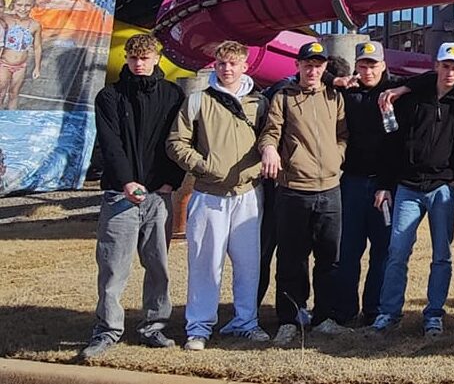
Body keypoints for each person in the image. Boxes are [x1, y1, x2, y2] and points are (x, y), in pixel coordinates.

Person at [81, 33, 185, 359]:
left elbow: (177, 141)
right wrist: (126, 181)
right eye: (133, 58)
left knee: (158, 267)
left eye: (145, 58)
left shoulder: (172, 95)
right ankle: (107, 330)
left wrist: (171, 180)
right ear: (126, 59)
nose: (139, 64)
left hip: (158, 196)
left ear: (156, 58)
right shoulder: (109, 96)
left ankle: (154, 326)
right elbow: (110, 145)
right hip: (119, 196)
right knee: (113, 267)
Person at [166, 40, 270, 350]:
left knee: (249, 263)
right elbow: (176, 142)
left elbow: (270, 135)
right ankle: (198, 326)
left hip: (249, 193)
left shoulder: (258, 103)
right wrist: (201, 165)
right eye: (222, 64)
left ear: (244, 66)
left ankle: (246, 321)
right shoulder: (198, 101)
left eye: (233, 64)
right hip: (209, 193)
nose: (227, 69)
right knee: (205, 262)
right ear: (216, 65)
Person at [371, 42, 454, 336]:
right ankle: (389, 313)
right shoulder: (414, 97)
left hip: (442, 188)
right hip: (407, 187)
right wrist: (385, 184)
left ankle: (434, 313)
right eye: (445, 66)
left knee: (441, 255)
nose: (450, 72)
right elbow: (392, 142)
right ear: (436, 66)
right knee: (397, 252)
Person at [257, 41, 348, 344]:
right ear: (298, 66)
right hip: (294, 190)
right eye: (308, 64)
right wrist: (269, 149)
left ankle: (325, 317)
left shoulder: (335, 96)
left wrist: (338, 157)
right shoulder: (283, 96)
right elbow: (271, 131)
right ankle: (289, 318)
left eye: (318, 65)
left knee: (329, 258)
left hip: (330, 189)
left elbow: (342, 134)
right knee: (291, 258)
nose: (313, 70)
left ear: (325, 68)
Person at [331, 41, 397, 328]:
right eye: (363, 65)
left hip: (384, 186)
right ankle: (345, 311)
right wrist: (336, 79)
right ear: (356, 66)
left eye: (373, 64)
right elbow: (302, 75)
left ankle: (374, 309)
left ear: (383, 65)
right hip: (352, 183)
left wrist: (387, 183)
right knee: (348, 250)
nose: (368, 70)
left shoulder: (395, 93)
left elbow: (397, 142)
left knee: (382, 251)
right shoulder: (347, 92)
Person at [0, 0, 42, 109]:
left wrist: (37, 67)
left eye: (27, 5)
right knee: (1, 92)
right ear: (13, 4)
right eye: (19, 5)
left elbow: (37, 47)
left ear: (33, 6)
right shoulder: (6, 18)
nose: (23, 9)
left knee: (14, 93)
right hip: (4, 63)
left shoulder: (35, 25)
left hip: (21, 66)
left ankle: (11, 120)